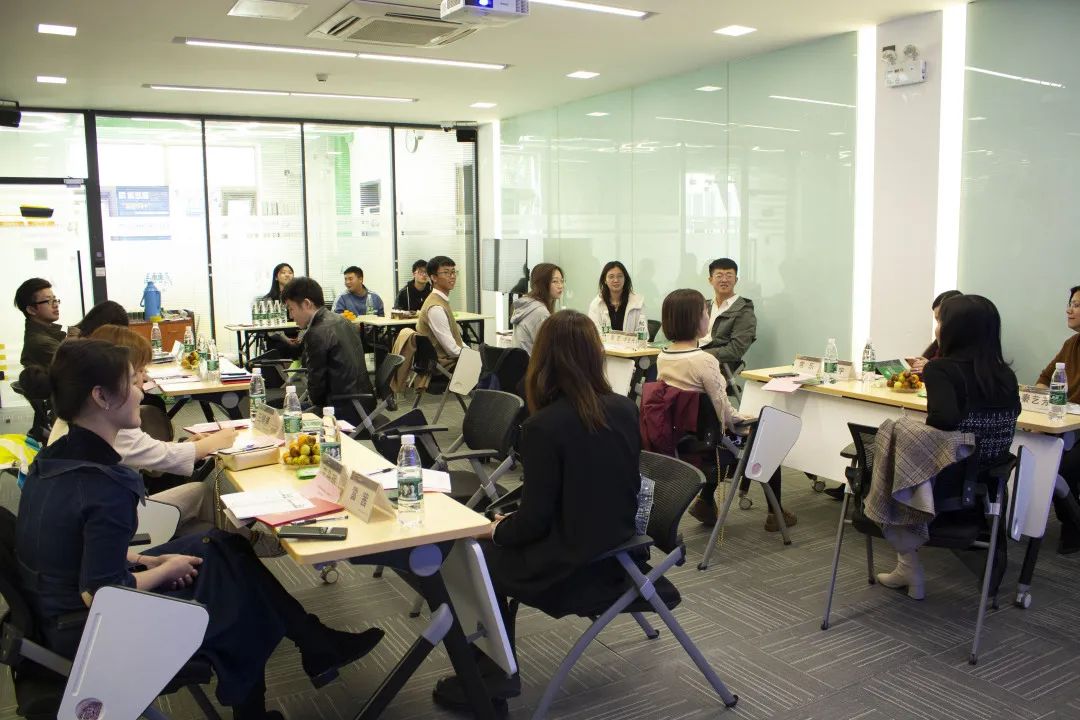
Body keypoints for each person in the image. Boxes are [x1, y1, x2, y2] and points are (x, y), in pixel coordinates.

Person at [17, 339, 384, 719]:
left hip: (62, 607)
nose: (141, 392)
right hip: (89, 627)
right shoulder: (103, 486)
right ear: (101, 397)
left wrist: (147, 559)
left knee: (224, 544)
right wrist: (165, 570)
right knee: (238, 598)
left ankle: (314, 644)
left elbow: (76, 547)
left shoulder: (58, 458)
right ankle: (298, 663)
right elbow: (101, 593)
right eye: (132, 382)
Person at [432, 310, 641, 710]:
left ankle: (492, 677)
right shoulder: (624, 409)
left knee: (470, 558)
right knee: (482, 552)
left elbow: (534, 522)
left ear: (542, 360)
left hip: (572, 565)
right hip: (619, 548)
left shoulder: (543, 426)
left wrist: (496, 529)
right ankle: (490, 667)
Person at [876, 295, 1020, 599]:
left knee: (894, 453)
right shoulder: (1005, 375)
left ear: (954, 329)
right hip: (988, 483)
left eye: (941, 321)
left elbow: (943, 423)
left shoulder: (941, 369)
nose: (937, 327)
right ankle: (907, 568)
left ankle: (908, 566)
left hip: (946, 484)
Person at [657, 289, 796, 531]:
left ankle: (705, 501)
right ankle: (775, 514)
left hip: (683, 442)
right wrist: (748, 420)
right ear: (693, 320)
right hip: (712, 449)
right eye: (705, 313)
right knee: (767, 436)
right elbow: (725, 415)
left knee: (718, 434)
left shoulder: (663, 356)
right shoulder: (705, 361)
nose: (708, 317)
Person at [281, 276, 373, 425]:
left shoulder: (316, 333)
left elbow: (316, 389)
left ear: (307, 304)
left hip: (341, 409)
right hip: (363, 403)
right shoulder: (342, 320)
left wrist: (311, 404)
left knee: (288, 419)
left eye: (291, 309)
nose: (291, 316)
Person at [1037, 285, 1080, 553]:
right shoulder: (1071, 344)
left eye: (1077, 305)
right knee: (1036, 454)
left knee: (1061, 466)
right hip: (1067, 424)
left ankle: (1073, 524)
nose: (1069, 310)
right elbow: (1045, 378)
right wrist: (1044, 401)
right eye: (1070, 303)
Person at [699, 259, 756, 366]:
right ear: (710, 280)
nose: (724, 280)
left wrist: (698, 355)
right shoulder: (704, 306)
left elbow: (736, 349)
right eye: (719, 276)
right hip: (693, 358)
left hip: (716, 365)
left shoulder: (744, 309)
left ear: (736, 280)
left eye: (729, 276)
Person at [416, 255, 464, 368]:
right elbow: (452, 350)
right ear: (434, 277)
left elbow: (456, 342)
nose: (452, 276)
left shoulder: (441, 300)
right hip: (446, 365)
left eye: (453, 272)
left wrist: (472, 353)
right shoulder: (435, 308)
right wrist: (474, 357)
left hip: (451, 361)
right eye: (446, 272)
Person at [510, 263, 564, 354]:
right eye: (555, 281)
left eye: (561, 281)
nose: (560, 286)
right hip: (533, 362)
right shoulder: (540, 312)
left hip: (523, 361)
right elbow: (548, 350)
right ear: (542, 284)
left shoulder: (528, 304)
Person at [15, 277, 65, 369]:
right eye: (49, 301)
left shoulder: (46, 336)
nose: (56, 305)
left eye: (55, 299)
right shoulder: (42, 343)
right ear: (31, 310)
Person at [909, 290, 963, 372]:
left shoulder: (967, 354)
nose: (938, 328)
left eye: (943, 320)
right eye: (937, 321)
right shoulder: (936, 348)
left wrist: (933, 368)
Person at [587, 260, 646, 333]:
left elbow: (643, 333)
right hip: (603, 341)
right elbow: (593, 334)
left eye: (620, 276)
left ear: (625, 279)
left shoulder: (638, 303)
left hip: (631, 341)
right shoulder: (596, 304)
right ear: (605, 280)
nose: (616, 280)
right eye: (611, 277)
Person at [262, 262, 302, 360]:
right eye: (283, 272)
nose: (287, 275)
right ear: (276, 277)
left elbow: (305, 320)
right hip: (278, 338)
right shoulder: (269, 299)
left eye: (290, 272)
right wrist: (286, 339)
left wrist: (301, 337)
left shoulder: (300, 298)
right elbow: (271, 328)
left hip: (298, 335)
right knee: (281, 347)